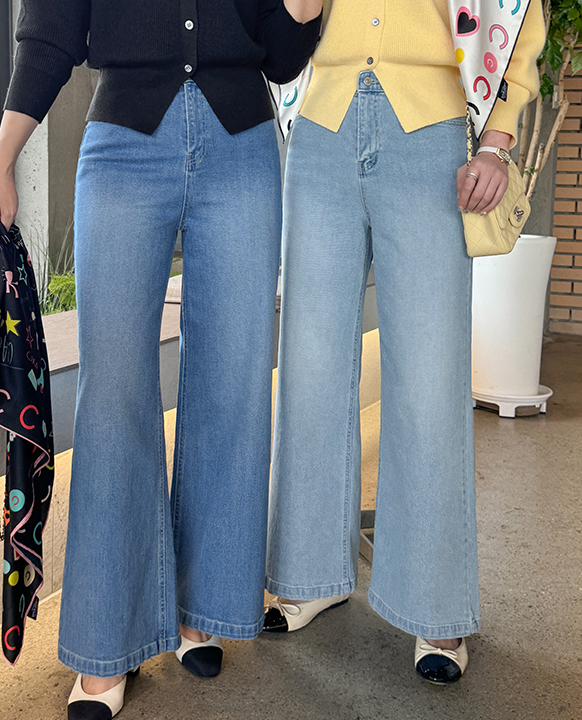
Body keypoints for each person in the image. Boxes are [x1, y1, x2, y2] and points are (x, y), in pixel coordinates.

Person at [0, 1, 322, 717]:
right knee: (113, 393)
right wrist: (1, 158)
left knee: (233, 380)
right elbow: (49, 30)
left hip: (242, 144)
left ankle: (203, 608)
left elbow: (284, 58)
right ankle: (110, 641)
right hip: (124, 145)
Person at [264, 0, 545, 684]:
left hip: (432, 131)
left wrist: (496, 140)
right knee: (309, 369)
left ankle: (436, 607)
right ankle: (309, 573)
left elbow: (522, 12)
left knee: (428, 378)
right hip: (321, 129)